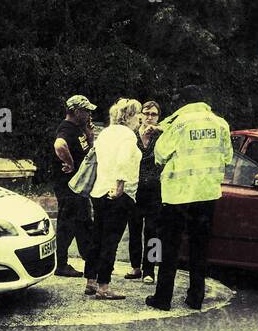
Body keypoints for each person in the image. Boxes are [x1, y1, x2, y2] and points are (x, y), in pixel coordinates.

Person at [146, 86, 232, 311]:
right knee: (200, 247)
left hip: (178, 195)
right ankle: (196, 298)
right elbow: (228, 156)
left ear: (184, 102)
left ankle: (163, 298)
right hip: (207, 193)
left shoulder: (179, 123)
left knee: (170, 247)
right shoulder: (220, 123)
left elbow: (161, 154)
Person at [85, 98, 142, 300]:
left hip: (99, 190)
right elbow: (123, 160)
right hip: (119, 193)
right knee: (111, 240)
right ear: (129, 116)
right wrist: (120, 185)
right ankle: (104, 286)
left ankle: (91, 280)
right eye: (137, 114)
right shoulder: (127, 136)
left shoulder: (105, 133)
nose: (140, 119)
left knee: (97, 237)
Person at [51, 95, 97, 278]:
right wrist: (69, 163)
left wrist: (89, 135)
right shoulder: (66, 129)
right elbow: (59, 144)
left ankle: (90, 260)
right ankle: (61, 264)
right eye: (86, 111)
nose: (89, 115)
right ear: (76, 111)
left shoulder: (78, 129)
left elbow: (88, 152)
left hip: (78, 187)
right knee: (67, 224)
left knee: (83, 223)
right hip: (68, 187)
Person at [125, 99, 162, 284]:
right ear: (141, 115)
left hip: (156, 190)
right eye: (146, 113)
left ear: (158, 117)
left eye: (153, 114)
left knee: (153, 231)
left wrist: (159, 130)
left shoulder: (162, 135)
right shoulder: (132, 135)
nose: (149, 117)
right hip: (135, 188)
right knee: (134, 228)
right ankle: (135, 267)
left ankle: (150, 270)